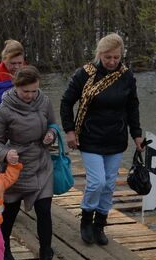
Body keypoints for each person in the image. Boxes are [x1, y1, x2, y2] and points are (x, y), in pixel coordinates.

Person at [61, 32, 144, 246]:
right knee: (96, 182)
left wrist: (136, 135)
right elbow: (66, 102)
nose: (112, 61)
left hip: (116, 138)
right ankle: (86, 219)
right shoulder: (84, 74)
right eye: (108, 57)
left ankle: (100, 224)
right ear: (100, 54)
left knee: (108, 184)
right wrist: (69, 131)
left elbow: (132, 107)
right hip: (90, 137)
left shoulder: (126, 76)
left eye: (116, 57)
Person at [0, 66, 59, 260]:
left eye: (33, 91)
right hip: (16, 166)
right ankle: (4, 249)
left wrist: (51, 134)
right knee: (9, 213)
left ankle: (45, 259)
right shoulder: (4, 109)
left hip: (40, 162)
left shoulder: (44, 102)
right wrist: (5, 153)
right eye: (25, 91)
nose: (30, 96)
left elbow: (54, 125)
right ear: (16, 87)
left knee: (44, 211)